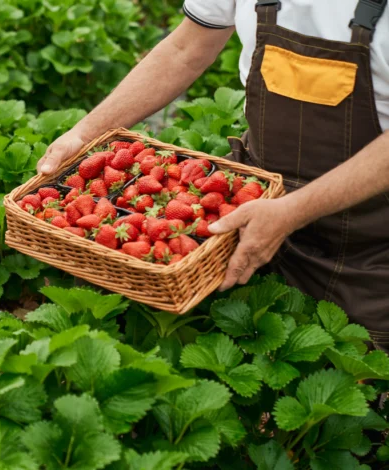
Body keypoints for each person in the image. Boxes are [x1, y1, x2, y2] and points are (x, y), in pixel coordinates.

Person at [37, 0, 389, 346]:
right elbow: (185, 49)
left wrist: (292, 211)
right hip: (248, 213)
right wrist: (85, 134)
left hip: (371, 240)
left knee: (357, 369)